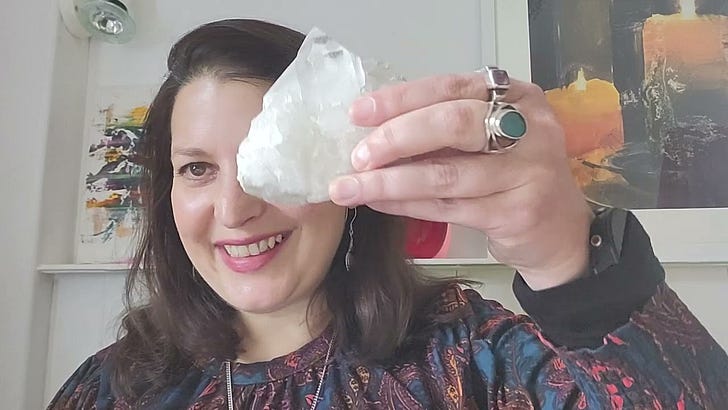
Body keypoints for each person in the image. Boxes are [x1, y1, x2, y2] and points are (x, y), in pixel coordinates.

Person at [49, 19, 728, 410]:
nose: (234, 209)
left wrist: (565, 257)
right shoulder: (112, 387)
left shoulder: (472, 358)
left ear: (350, 175)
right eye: (197, 169)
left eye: (267, 166)